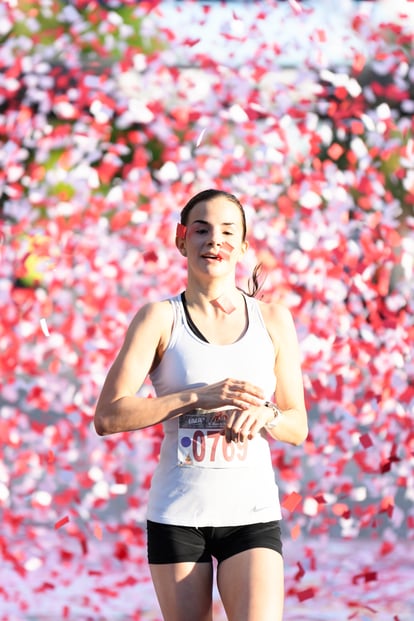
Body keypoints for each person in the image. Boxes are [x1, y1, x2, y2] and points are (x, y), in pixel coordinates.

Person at [94, 188, 308, 621]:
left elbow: (297, 425)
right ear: (181, 239)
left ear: (243, 247)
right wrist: (196, 396)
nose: (215, 240)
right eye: (202, 229)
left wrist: (267, 415)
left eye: (229, 232)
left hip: (251, 515)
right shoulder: (159, 318)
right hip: (177, 516)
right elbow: (108, 415)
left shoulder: (273, 320)